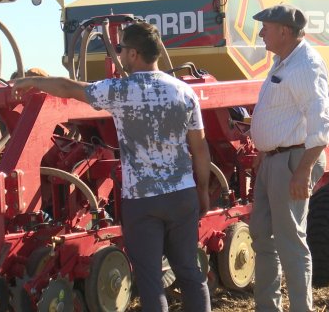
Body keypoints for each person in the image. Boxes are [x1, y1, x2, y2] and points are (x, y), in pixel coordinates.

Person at [12, 22, 211, 312]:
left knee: (151, 280)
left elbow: (69, 87)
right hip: (182, 195)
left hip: (142, 202)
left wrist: (34, 82)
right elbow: (200, 148)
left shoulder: (120, 91)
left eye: (120, 49)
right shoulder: (184, 93)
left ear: (132, 53)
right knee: (190, 273)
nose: (119, 55)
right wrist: (203, 191)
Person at [250, 4, 329, 312]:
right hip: (275, 160)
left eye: (266, 28)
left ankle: (301, 308)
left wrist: (303, 171)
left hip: (292, 161)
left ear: (284, 31)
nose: (261, 33)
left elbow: (320, 122)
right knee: (263, 237)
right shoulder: (284, 61)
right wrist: (264, 150)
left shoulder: (305, 65)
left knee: (290, 242)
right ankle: (267, 307)